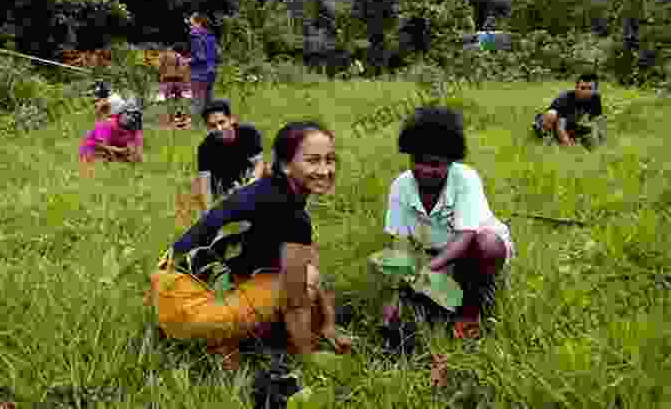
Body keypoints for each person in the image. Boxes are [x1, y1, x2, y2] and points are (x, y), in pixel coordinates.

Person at [156, 121, 352, 369]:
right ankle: (225, 340)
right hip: (190, 309)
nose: (325, 170)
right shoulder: (290, 213)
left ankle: (225, 337)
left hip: (168, 295)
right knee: (303, 282)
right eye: (313, 161)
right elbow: (296, 300)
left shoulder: (264, 191)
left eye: (330, 160)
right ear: (285, 165)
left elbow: (308, 255)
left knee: (296, 271)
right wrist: (309, 358)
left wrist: (328, 321)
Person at [381, 106, 514, 339]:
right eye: (418, 161)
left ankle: (470, 311)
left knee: (487, 245)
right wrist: (397, 294)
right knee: (417, 309)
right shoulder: (401, 186)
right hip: (434, 257)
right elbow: (399, 243)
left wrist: (424, 272)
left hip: (472, 252)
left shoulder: (465, 179)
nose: (424, 170)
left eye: (435, 164)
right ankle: (439, 296)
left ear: (450, 162)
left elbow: (465, 238)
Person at [195, 99, 267, 213]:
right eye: (213, 126)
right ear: (207, 127)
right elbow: (205, 184)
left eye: (222, 122)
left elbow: (259, 164)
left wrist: (249, 188)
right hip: (225, 190)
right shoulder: (205, 148)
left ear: (232, 119)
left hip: (249, 181)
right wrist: (208, 215)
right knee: (197, 185)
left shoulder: (248, 133)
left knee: (270, 170)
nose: (219, 128)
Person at [533, 73, 603, 146]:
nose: (586, 91)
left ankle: (567, 136)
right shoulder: (565, 99)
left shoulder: (596, 98)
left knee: (591, 133)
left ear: (595, 90)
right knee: (552, 114)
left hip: (570, 123)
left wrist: (596, 138)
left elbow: (597, 120)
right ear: (576, 88)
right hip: (554, 121)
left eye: (590, 88)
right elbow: (560, 126)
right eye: (582, 88)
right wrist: (568, 144)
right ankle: (545, 133)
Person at [79, 96, 143, 166]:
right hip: (93, 151)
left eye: (134, 115)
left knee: (131, 160)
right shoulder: (107, 123)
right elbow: (100, 145)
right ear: (121, 113)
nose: (130, 118)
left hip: (112, 154)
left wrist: (133, 152)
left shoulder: (134, 129)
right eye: (128, 114)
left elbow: (137, 155)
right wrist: (120, 150)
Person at [188, 13, 219, 125]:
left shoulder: (195, 36)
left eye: (191, 24)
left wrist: (187, 61)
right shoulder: (211, 36)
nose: (190, 27)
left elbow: (200, 57)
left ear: (199, 24)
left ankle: (196, 124)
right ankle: (212, 123)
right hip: (212, 72)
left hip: (199, 73)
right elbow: (217, 55)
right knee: (208, 100)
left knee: (197, 100)